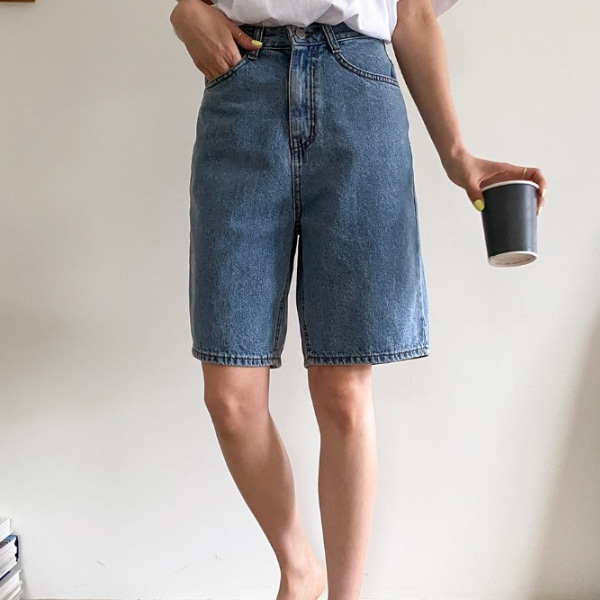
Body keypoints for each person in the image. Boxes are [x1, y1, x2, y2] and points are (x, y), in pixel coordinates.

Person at [169, 1, 547, 599]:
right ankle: (300, 569)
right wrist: (184, 7)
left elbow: (412, 14)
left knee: (343, 394)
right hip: (242, 87)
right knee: (231, 398)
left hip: (359, 88)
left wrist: (457, 155)